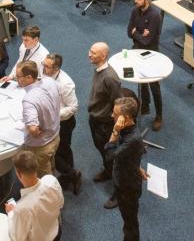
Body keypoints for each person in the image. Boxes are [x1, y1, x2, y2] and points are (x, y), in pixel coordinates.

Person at [105, 97, 148, 239]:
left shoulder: (132, 138)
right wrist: (137, 166)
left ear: (126, 118)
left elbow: (109, 156)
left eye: (115, 114)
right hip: (125, 177)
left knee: (130, 224)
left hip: (127, 187)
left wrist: (115, 131)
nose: (112, 116)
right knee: (128, 221)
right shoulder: (128, 130)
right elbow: (132, 153)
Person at [42, 53, 82, 194]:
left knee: (57, 152)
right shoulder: (46, 75)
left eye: (47, 66)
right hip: (51, 121)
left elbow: (73, 107)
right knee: (63, 150)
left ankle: (73, 175)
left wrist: (53, 115)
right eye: (44, 64)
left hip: (64, 123)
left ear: (56, 68)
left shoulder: (65, 83)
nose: (43, 68)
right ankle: (69, 175)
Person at [6, 150, 64, 241]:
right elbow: (60, 204)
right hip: (56, 232)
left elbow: (17, 238)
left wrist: (11, 213)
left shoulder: (21, 208)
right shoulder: (51, 180)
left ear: (19, 174)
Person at [127, 0, 164, 130]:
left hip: (151, 54)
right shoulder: (134, 11)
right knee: (141, 80)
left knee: (154, 86)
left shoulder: (155, 15)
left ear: (147, 0)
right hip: (137, 50)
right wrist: (141, 34)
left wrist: (137, 32)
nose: (135, 1)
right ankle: (145, 106)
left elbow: (147, 42)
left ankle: (159, 115)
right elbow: (128, 32)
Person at [17, 61, 62, 177]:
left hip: (40, 146)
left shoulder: (29, 99)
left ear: (29, 77)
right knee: (50, 163)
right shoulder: (50, 81)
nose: (17, 79)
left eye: (18, 77)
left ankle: (52, 193)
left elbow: (33, 129)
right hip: (55, 135)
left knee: (44, 176)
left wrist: (33, 130)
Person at [88, 42, 122, 183]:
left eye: (93, 53)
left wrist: (114, 128)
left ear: (103, 56)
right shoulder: (98, 69)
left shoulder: (110, 77)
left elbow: (118, 103)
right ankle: (108, 171)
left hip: (104, 124)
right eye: (90, 50)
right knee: (101, 149)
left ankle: (118, 187)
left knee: (110, 155)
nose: (89, 54)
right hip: (95, 118)